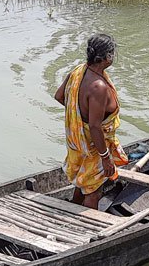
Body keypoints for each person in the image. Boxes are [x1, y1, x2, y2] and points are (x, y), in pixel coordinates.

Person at [54, 33, 129, 208]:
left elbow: (59, 96)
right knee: (94, 190)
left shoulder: (78, 71)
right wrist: (105, 158)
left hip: (77, 141)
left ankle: (73, 207)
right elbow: (95, 127)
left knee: (83, 179)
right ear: (107, 57)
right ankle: (88, 227)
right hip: (93, 145)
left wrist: (78, 116)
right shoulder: (98, 87)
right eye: (113, 53)